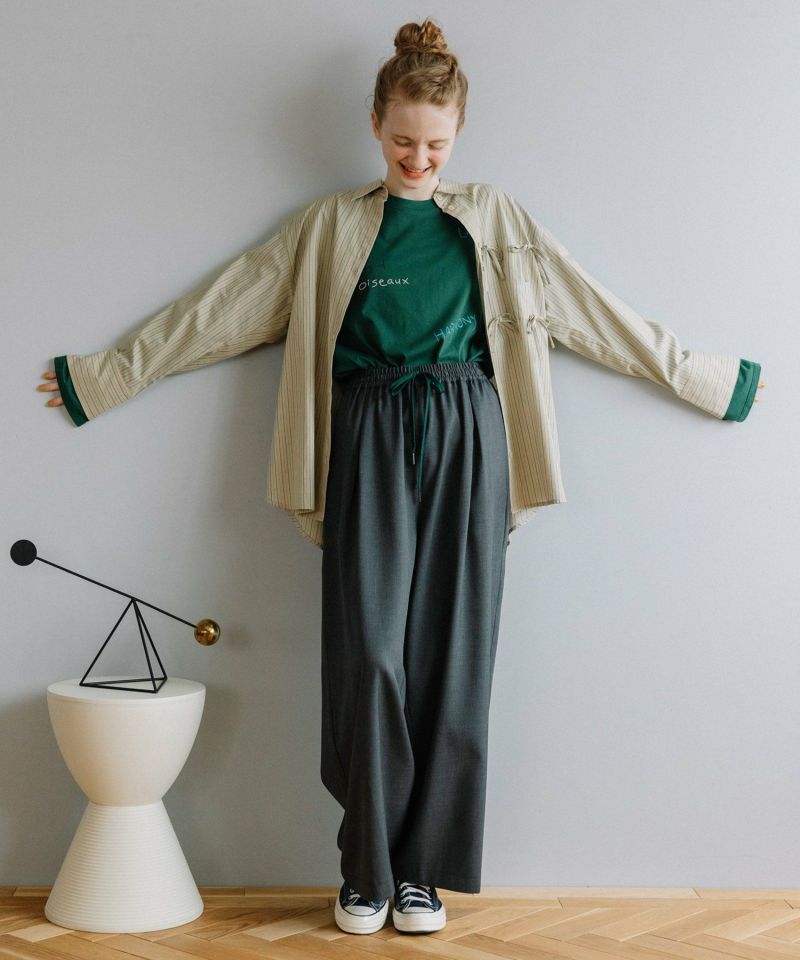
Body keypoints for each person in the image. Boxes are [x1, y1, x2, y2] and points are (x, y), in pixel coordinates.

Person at [37, 17, 764, 938]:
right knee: (370, 657)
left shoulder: (496, 220)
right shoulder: (329, 227)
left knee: (453, 661)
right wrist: (106, 374)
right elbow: (219, 309)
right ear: (375, 124)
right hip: (368, 433)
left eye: (436, 145)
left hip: (470, 433)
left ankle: (421, 875)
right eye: (403, 141)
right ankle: (367, 869)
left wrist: (702, 377)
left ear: (458, 135)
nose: (418, 159)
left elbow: (592, 310)